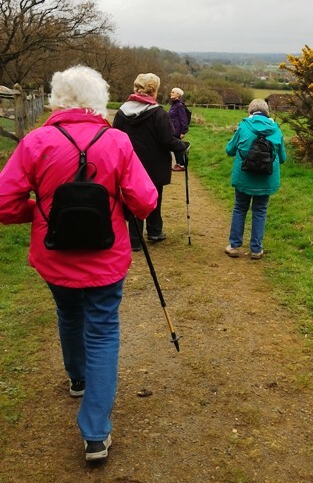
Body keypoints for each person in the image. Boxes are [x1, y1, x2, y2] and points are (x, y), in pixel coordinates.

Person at [0, 65, 158, 462]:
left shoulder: (36, 142)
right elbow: (144, 201)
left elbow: (5, 203)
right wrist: (116, 205)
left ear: (57, 99)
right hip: (106, 258)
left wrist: (40, 212)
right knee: (102, 331)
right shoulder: (117, 141)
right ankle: (95, 433)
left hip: (55, 256)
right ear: (98, 101)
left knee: (69, 314)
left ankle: (77, 378)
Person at [113, 73, 190, 250]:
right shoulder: (158, 113)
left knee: (133, 197)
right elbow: (167, 140)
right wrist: (182, 146)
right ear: (153, 90)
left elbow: (114, 137)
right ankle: (155, 231)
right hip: (155, 164)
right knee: (154, 196)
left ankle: (135, 238)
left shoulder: (122, 111)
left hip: (130, 164)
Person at [225, 99, 287, 259]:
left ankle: (234, 246)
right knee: (260, 211)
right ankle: (256, 249)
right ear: (267, 112)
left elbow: (230, 150)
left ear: (250, 111)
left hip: (243, 177)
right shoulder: (276, 129)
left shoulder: (244, 126)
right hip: (266, 179)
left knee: (240, 208)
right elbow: (283, 158)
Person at [168, 87, 190, 171]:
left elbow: (183, 119)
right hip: (173, 129)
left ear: (178, 95)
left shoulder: (179, 105)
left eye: (173, 92)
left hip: (177, 130)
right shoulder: (174, 104)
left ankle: (181, 165)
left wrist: (183, 132)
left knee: (177, 147)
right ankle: (178, 164)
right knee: (175, 147)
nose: (171, 93)